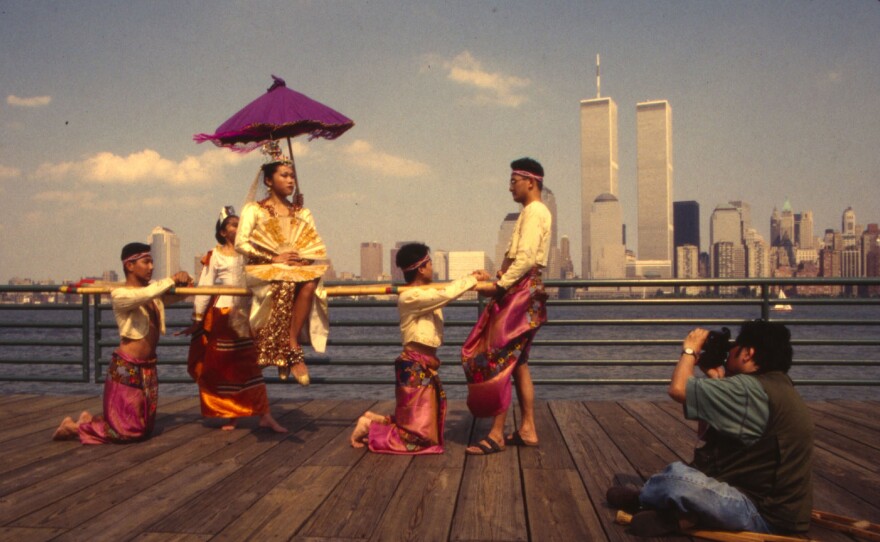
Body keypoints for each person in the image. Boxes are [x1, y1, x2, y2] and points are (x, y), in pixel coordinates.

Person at [606, 320, 814, 537]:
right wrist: (715, 378)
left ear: (748, 353)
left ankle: (645, 499)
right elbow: (707, 433)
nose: (730, 351)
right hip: (769, 507)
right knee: (686, 477)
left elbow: (678, 389)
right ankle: (679, 518)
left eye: (736, 346)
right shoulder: (774, 385)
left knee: (678, 478)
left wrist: (690, 350)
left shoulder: (750, 390)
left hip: (762, 515)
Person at [350, 243, 491, 453]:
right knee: (419, 438)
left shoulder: (425, 293)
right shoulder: (410, 297)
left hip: (424, 366)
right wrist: (472, 280)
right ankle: (370, 427)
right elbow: (445, 295)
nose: (433, 268)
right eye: (430, 263)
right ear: (422, 268)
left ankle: (373, 420)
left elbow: (444, 292)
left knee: (424, 430)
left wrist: (470, 277)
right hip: (413, 366)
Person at [53, 243, 193, 443]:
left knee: (144, 429)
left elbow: (179, 294)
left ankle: (90, 421)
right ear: (130, 266)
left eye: (152, 262)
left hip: (148, 368)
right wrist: (170, 280)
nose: (151, 267)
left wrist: (185, 279)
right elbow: (144, 294)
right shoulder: (121, 295)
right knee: (128, 432)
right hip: (127, 366)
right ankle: (74, 428)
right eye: (146, 262)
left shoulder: (154, 295)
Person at [462, 157, 551, 455]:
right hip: (526, 292)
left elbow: (524, 259)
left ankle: (497, 434)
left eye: (514, 180)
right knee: (519, 363)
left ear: (531, 182)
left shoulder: (535, 211)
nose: (509, 186)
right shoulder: (531, 212)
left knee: (501, 358)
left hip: (520, 293)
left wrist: (501, 285)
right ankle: (527, 429)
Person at [178, 206, 286, 433]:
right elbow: (205, 287)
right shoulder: (214, 255)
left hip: (245, 315)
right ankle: (231, 414)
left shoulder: (251, 252)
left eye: (240, 224)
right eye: (234, 224)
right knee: (222, 367)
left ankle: (264, 414)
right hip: (222, 315)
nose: (239, 227)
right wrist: (197, 319)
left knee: (250, 365)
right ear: (223, 232)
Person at [235, 142, 329, 386]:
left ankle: (290, 343)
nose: (290, 181)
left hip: (294, 271)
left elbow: (312, 245)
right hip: (261, 269)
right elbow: (241, 243)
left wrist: (302, 258)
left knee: (310, 282)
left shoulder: (302, 213)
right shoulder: (254, 210)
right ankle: (290, 354)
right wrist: (272, 258)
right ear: (268, 180)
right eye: (284, 175)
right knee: (285, 280)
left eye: (293, 177)